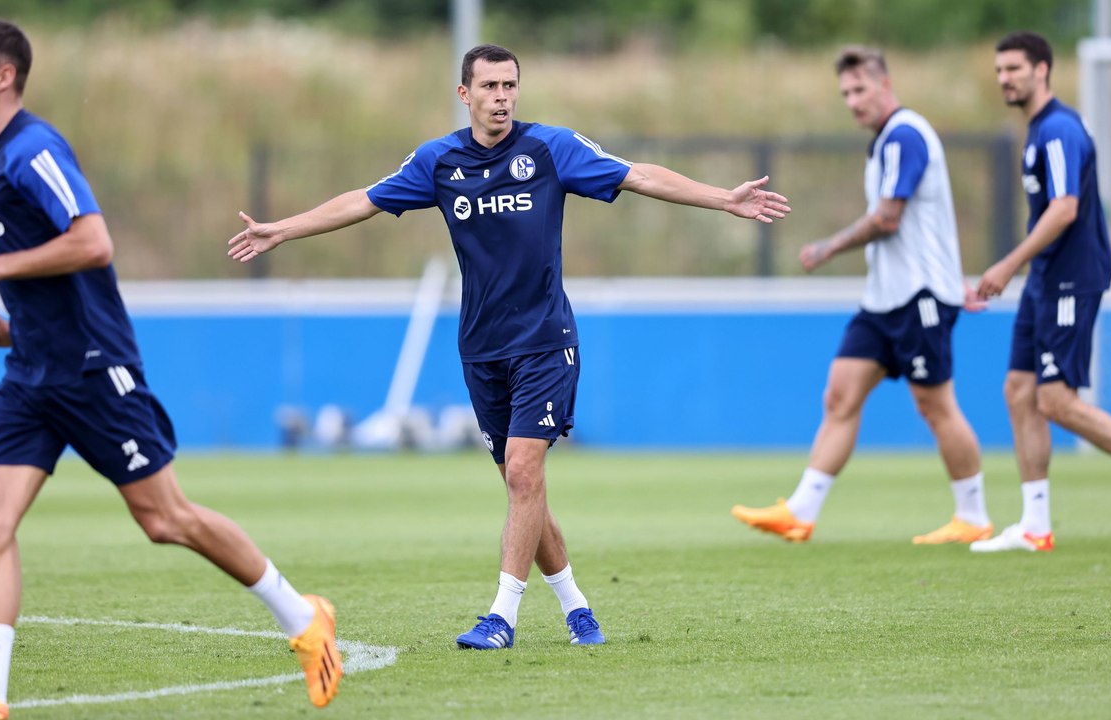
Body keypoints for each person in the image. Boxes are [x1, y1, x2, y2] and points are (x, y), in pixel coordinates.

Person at [227, 44, 789, 649]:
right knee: (524, 488)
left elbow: (640, 175)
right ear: (464, 93)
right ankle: (578, 610)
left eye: (510, 85)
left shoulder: (551, 148)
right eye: (490, 86)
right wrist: (282, 229)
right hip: (481, 348)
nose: (501, 97)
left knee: (524, 472)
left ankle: (501, 617)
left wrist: (722, 198)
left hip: (545, 341)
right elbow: (363, 200)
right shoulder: (438, 161)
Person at [0, 22, 342, 720]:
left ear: (3, 77)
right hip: (31, 373)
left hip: (91, 370)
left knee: (166, 518)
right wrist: (11, 326)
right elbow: (53, 275)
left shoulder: (33, 150)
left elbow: (93, 241)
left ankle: (303, 615)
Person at [731, 46, 991, 545]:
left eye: (860, 89)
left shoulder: (905, 135)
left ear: (884, 84)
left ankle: (973, 515)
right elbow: (929, 223)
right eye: (845, 93)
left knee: (936, 405)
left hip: (919, 298)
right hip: (883, 300)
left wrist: (828, 247)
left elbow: (889, 219)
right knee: (840, 394)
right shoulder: (885, 142)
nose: (852, 101)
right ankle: (801, 511)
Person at [969, 31, 1111, 553]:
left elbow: (1065, 208)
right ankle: (1035, 525)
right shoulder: (1038, 130)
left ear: (1042, 69)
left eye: (1014, 68)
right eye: (999, 70)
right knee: (1019, 391)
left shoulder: (1059, 129)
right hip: (1044, 280)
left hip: (1070, 279)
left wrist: (1008, 263)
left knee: (1056, 400)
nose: (1004, 78)